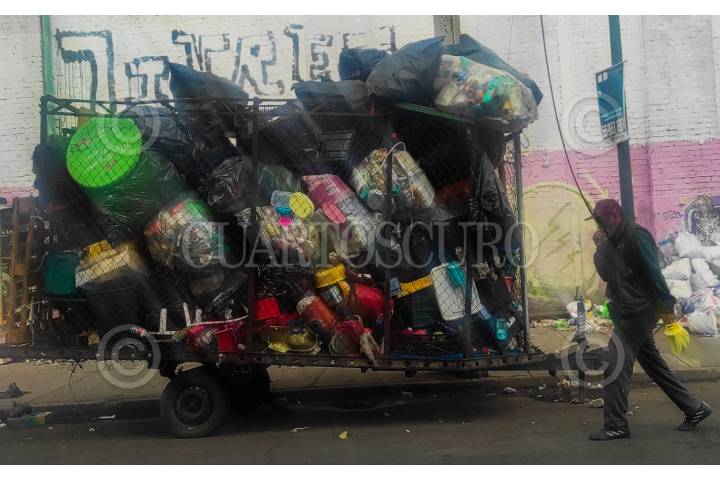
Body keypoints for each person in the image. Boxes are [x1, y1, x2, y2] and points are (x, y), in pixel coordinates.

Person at [587, 199, 712, 441]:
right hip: (625, 311)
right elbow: (607, 275)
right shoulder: (613, 240)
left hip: (639, 311)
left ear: (615, 216)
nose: (600, 226)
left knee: (615, 362)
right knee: (654, 365)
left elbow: (654, 275)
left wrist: (668, 313)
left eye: (602, 221)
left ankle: (616, 425)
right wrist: (600, 249)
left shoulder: (637, 236)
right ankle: (695, 408)